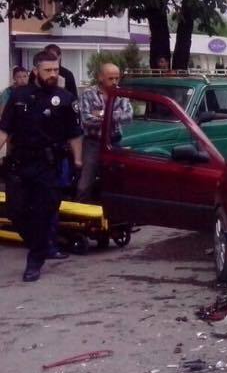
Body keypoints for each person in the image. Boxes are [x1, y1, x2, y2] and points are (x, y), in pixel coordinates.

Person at [0, 50, 83, 282]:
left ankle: (34, 261)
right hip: (20, 164)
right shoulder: (18, 96)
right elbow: (4, 130)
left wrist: (77, 161)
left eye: (56, 70)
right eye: (48, 70)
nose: (53, 74)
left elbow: (75, 134)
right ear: (36, 71)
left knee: (43, 213)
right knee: (16, 211)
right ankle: (41, 245)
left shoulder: (65, 99)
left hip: (48, 165)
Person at [77, 63, 133, 203]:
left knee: (117, 179)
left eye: (117, 78)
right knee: (86, 181)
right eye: (110, 78)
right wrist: (114, 116)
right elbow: (86, 120)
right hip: (93, 142)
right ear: (100, 77)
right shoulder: (88, 94)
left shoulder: (121, 93)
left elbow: (128, 116)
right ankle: (82, 210)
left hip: (114, 141)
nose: (114, 82)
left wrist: (102, 114)